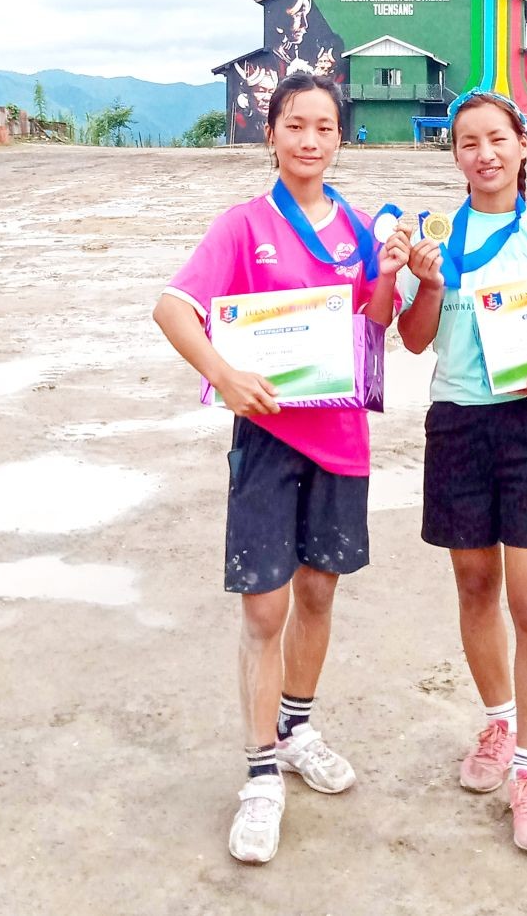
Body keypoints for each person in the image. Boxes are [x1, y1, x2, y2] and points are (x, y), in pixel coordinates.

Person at [153, 72, 411, 865]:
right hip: (268, 443)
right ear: (270, 133)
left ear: (341, 138)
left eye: (324, 127)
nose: (309, 140)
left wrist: (390, 272)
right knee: (264, 610)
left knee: (318, 594)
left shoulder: (362, 227)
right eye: (295, 124)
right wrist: (224, 375)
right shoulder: (243, 225)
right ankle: (261, 774)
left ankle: (297, 729)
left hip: (341, 442)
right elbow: (173, 307)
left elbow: (375, 323)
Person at [397, 89, 527, 854]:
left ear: (524, 143)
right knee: (476, 587)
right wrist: (430, 284)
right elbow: (413, 341)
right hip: (457, 424)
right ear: (454, 156)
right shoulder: (436, 241)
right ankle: (499, 724)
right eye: (467, 142)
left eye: (497, 138)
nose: (484, 154)